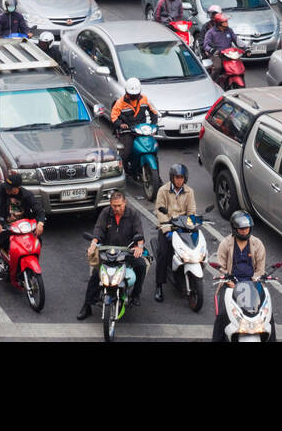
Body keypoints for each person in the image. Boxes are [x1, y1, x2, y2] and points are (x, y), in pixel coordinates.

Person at [79, 191, 146, 319]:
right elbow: (98, 230)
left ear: (124, 203)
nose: (117, 208)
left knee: (141, 265)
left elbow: (139, 233)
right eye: (114, 206)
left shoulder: (133, 214)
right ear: (110, 204)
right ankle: (87, 306)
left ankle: (135, 295)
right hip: (107, 252)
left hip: (126, 252)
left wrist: (139, 247)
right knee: (95, 275)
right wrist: (93, 244)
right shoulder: (105, 213)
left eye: (119, 205)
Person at [212, 211, 269, 341]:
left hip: (253, 284)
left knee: (267, 316)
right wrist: (228, 281)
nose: (244, 231)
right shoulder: (225, 244)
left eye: (246, 228)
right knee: (222, 315)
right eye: (241, 229)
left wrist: (255, 280)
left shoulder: (257, 244)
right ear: (235, 228)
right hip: (231, 283)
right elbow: (220, 267)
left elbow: (260, 269)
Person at [0, 171, 45, 282]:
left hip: (22, 227)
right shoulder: (1, 190)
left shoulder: (26, 195)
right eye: (7, 187)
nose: (7, 190)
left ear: (18, 187)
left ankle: (27, 269)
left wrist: (40, 223)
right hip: (3, 225)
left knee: (37, 241)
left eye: (10, 189)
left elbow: (39, 209)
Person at [153, 164, 197, 302]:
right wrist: (167, 230)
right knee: (163, 253)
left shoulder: (189, 192)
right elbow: (159, 211)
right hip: (168, 227)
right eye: (177, 178)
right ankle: (159, 285)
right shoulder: (163, 190)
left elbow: (192, 212)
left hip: (183, 228)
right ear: (172, 178)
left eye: (181, 178)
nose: (179, 180)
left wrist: (190, 226)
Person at [110, 79, 159, 169]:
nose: (133, 96)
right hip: (128, 131)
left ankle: (157, 175)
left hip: (142, 130)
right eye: (131, 95)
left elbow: (154, 112)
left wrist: (153, 125)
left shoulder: (145, 99)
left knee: (153, 149)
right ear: (126, 92)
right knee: (127, 152)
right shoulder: (120, 102)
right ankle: (123, 170)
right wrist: (121, 125)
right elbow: (113, 116)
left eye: (135, 95)